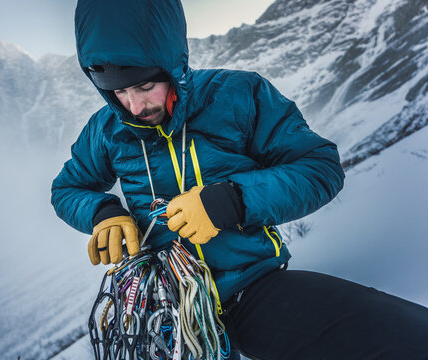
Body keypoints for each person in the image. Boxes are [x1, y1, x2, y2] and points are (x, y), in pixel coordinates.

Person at [51, 0, 428, 358]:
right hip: (166, 318)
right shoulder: (105, 128)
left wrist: (230, 201)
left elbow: (319, 167)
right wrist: (102, 213)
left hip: (255, 288)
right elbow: (68, 188)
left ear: (169, 66)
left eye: (145, 87)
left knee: (404, 337)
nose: (134, 107)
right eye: (119, 92)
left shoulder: (238, 95)